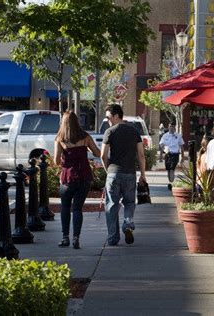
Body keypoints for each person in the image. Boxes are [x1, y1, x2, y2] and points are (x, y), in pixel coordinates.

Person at [101, 104, 147, 246]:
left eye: (109, 117)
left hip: (114, 173)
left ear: (116, 116)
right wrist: (143, 175)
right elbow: (141, 155)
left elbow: (103, 155)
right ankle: (127, 223)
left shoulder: (109, 131)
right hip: (130, 174)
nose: (108, 120)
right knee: (129, 202)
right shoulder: (134, 131)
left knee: (111, 205)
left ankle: (113, 238)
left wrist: (107, 170)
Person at [54, 111, 101, 249]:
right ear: (77, 122)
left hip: (68, 177)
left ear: (63, 123)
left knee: (65, 208)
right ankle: (76, 238)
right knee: (77, 208)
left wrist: (64, 157)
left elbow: (56, 161)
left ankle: (65, 238)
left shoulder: (60, 139)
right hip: (84, 176)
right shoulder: (85, 137)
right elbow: (97, 153)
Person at [159, 122, 185, 190]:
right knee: (168, 169)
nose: (172, 128)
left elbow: (182, 146)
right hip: (167, 155)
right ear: (168, 127)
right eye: (170, 126)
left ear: (175, 127)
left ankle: (172, 183)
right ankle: (170, 182)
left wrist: (182, 157)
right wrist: (161, 156)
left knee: (172, 169)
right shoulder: (165, 136)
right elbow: (162, 146)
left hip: (175, 154)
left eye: (173, 126)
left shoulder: (178, 136)